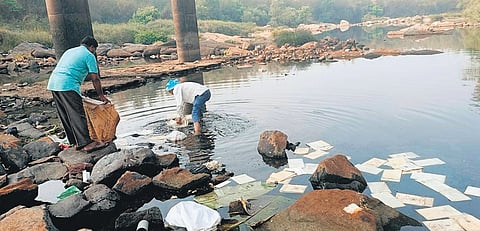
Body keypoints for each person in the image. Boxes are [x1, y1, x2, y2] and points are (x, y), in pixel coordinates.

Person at [47, 35, 110, 152]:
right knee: (77, 114)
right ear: (92, 47)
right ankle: (87, 144)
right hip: (67, 85)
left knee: (66, 114)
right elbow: (95, 78)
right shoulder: (89, 55)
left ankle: (75, 142)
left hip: (54, 83)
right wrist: (101, 95)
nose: (94, 52)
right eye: (94, 49)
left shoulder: (70, 51)